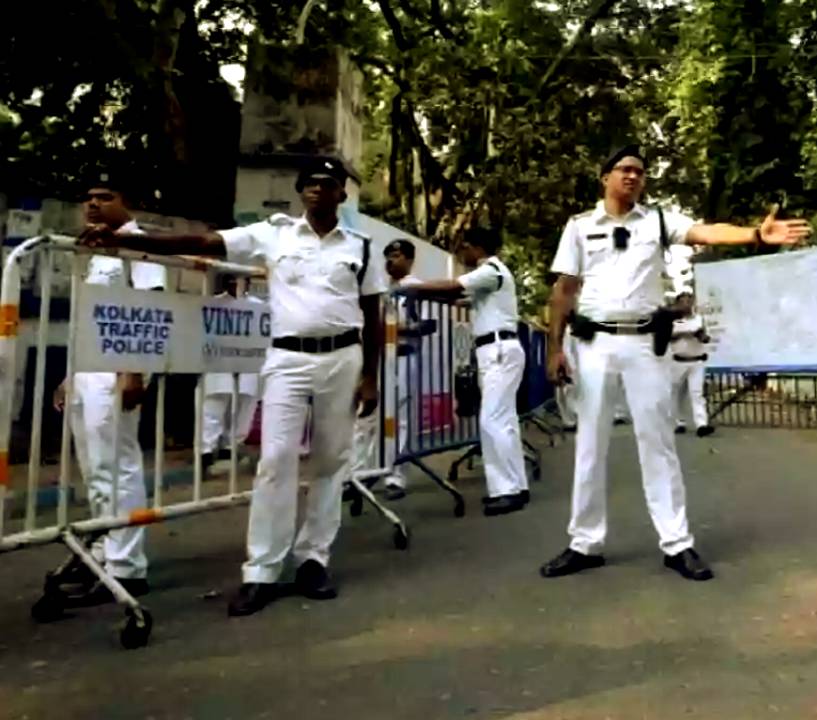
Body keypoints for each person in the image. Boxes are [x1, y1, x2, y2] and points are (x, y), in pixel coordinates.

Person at [80, 156, 387, 615]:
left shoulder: (361, 247)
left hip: (344, 357)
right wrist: (131, 242)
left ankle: (313, 559)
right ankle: (261, 569)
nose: (318, 190)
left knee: (331, 460)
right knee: (275, 461)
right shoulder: (273, 233)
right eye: (310, 184)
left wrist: (370, 378)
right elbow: (205, 241)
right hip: (287, 357)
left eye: (328, 184)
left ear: (343, 194)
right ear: (300, 192)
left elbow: (374, 313)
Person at [541, 144, 810, 581]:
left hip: (645, 344)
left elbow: (705, 232)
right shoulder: (579, 227)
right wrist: (555, 348)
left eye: (640, 172)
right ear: (604, 177)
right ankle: (585, 542)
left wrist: (754, 235)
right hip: (593, 345)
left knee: (658, 443)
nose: (632, 176)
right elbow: (564, 289)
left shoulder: (658, 220)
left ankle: (677, 542)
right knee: (590, 445)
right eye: (624, 169)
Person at [52, 172, 167, 605]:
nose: (94, 203)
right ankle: (104, 552)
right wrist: (70, 373)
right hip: (89, 368)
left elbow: (149, 309)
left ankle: (126, 568)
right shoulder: (96, 250)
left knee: (117, 466)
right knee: (96, 470)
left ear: (126, 202)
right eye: (89, 197)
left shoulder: (141, 246)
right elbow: (90, 317)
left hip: (119, 369)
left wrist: (134, 370)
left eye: (105, 195)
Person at [397, 226, 530, 516]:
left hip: (497, 350)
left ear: (477, 247)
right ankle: (515, 486)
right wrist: (425, 292)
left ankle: (507, 490)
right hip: (497, 350)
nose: (462, 253)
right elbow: (456, 298)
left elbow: (455, 287)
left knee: (492, 420)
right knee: (504, 421)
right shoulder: (491, 276)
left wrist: (413, 287)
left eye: (465, 247)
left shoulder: (490, 270)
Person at [353, 239, 424, 500]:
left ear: (409, 259)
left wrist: (389, 328)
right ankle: (360, 473)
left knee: (400, 416)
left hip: (404, 356)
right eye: (388, 255)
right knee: (369, 416)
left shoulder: (417, 289)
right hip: (380, 359)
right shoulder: (383, 289)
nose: (391, 260)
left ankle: (395, 475)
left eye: (396, 255)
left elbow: (422, 325)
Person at [200, 274, 262, 473]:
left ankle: (231, 448)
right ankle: (206, 451)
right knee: (212, 409)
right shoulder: (213, 304)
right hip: (219, 364)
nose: (236, 284)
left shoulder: (259, 306)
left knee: (243, 410)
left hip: (248, 365)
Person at [669, 292, 714, 437]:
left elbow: (705, 338)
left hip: (696, 360)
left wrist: (700, 336)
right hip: (678, 361)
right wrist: (682, 334)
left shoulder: (699, 320)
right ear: (677, 304)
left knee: (697, 393)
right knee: (676, 394)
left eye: (689, 302)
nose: (686, 305)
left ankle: (701, 424)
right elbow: (666, 338)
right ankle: (678, 422)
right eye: (683, 302)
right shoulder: (673, 321)